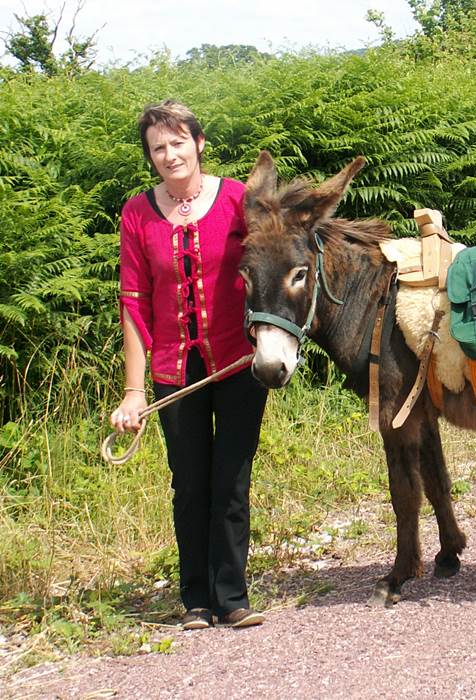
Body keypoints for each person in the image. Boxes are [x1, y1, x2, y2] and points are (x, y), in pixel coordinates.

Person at [109, 100, 268, 630]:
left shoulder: (239, 198)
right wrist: (134, 392)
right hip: (173, 370)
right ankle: (196, 600)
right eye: (158, 147)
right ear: (150, 156)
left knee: (232, 481)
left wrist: (271, 336)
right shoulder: (137, 213)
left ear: (198, 143)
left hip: (238, 361)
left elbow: (270, 265)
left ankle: (233, 597)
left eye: (178, 142)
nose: (170, 154)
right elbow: (134, 303)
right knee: (190, 483)